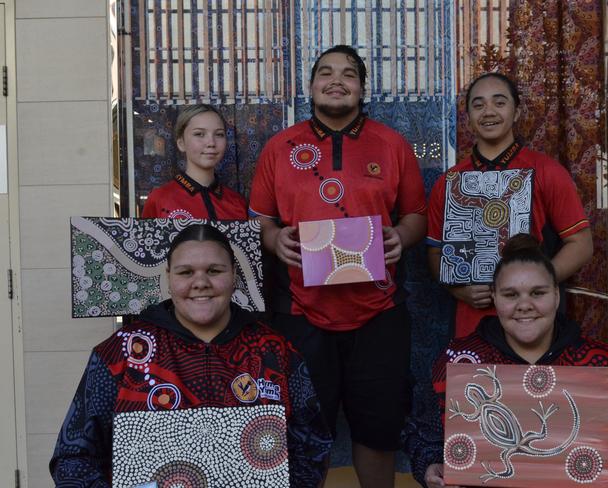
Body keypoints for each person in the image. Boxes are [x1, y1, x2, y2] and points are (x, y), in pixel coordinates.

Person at [248, 45, 427, 487]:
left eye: (349, 74)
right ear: (311, 86)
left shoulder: (392, 144)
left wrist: (400, 237)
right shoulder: (279, 147)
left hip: (379, 312)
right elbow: (259, 221)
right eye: (325, 72)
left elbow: (418, 217)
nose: (336, 80)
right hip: (300, 312)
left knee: (378, 428)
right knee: (304, 431)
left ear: (362, 89)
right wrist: (275, 240)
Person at [50, 224, 331, 487]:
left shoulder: (275, 351)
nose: (200, 283)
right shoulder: (121, 353)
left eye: (214, 270)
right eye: (186, 273)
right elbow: (74, 457)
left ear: (233, 275)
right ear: (169, 278)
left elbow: (313, 446)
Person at [403, 234, 608, 488]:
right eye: (510, 295)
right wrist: (430, 466)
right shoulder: (457, 362)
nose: (524, 305)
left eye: (537, 293)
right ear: (494, 298)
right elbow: (421, 435)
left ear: (556, 294)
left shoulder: (605, 363)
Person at [426, 72, 593, 338]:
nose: (488, 111)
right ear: (467, 117)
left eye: (499, 102)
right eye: (478, 105)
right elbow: (436, 254)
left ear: (516, 112)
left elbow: (581, 245)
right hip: (472, 323)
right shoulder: (449, 182)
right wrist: (458, 290)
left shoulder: (546, 171)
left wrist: (535, 284)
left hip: (533, 319)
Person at [142, 104, 248, 220]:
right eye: (199, 134)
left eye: (219, 134)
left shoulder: (238, 203)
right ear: (181, 143)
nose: (211, 143)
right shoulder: (159, 199)